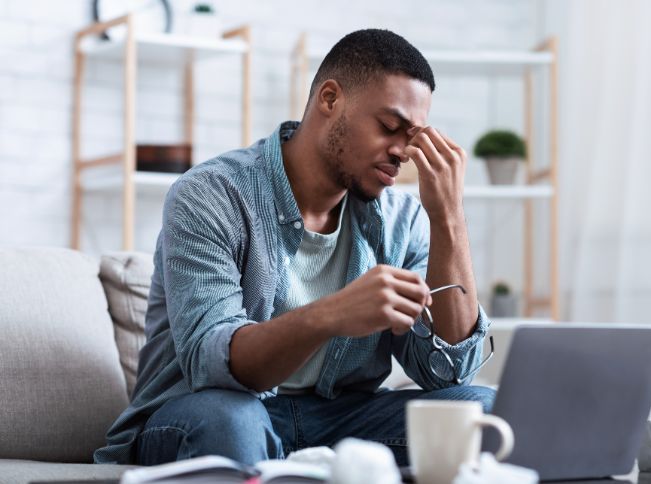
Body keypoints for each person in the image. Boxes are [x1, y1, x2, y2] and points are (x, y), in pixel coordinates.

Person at [94, 28, 494, 467]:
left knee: (484, 410)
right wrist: (332, 314)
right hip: (209, 409)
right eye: (388, 127)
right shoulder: (210, 195)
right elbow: (213, 364)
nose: (402, 152)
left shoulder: (403, 220)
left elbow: (448, 373)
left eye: (412, 136)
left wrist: (449, 216)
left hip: (342, 416)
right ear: (329, 99)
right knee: (232, 421)